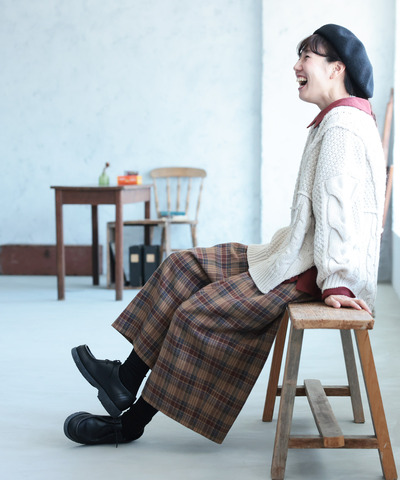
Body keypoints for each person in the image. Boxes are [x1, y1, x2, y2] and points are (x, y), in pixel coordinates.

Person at [64, 24, 386, 446]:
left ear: (336, 68)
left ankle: (131, 423)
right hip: (290, 254)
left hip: (308, 274)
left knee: (196, 314)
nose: (296, 66)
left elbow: (343, 215)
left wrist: (338, 281)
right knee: (182, 267)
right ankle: (123, 379)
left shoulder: (342, 128)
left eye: (306, 57)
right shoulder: (336, 120)